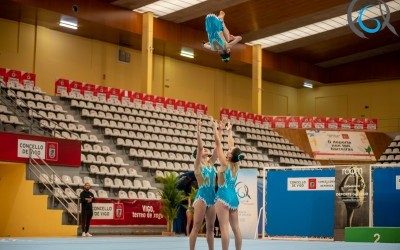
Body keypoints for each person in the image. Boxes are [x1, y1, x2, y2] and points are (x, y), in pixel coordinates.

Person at [212, 120, 244, 250]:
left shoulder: (225, 163)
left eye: (230, 150)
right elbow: (231, 145)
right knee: (236, 228)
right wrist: (229, 131)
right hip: (233, 197)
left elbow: (218, 144)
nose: (229, 149)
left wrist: (215, 130)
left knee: (224, 227)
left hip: (223, 195)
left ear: (230, 155)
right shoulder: (237, 164)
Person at [189, 119, 220, 250]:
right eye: (203, 150)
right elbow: (200, 147)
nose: (205, 149)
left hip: (212, 198)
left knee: (211, 228)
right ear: (197, 154)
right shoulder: (198, 166)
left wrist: (217, 129)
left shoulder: (211, 164)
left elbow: (218, 148)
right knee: (196, 226)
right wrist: (198, 130)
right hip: (201, 198)